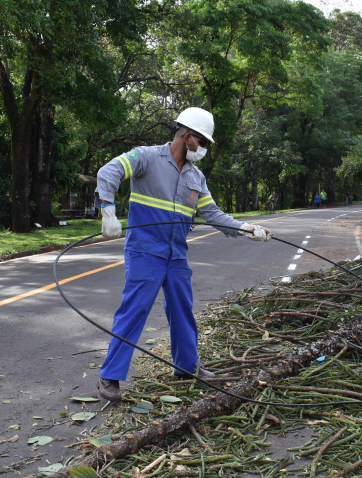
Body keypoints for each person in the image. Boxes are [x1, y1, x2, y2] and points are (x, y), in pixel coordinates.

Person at [94, 107, 272, 402]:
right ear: (186, 136)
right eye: (202, 143)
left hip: (176, 254)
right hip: (145, 251)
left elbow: (212, 213)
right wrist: (108, 211)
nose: (203, 149)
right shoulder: (146, 157)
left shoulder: (196, 177)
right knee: (134, 310)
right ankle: (109, 377)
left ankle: (186, 368)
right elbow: (108, 172)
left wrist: (244, 228)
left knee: (182, 310)